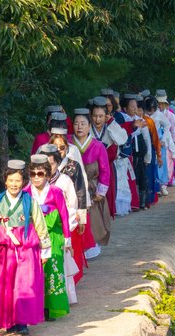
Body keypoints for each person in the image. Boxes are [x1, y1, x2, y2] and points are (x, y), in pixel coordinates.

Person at [0, 159, 52, 334]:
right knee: (4, 286)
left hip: (26, 249)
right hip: (3, 250)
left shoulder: (29, 201)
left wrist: (45, 249)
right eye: (11, 180)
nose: (14, 184)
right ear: (5, 181)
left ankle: (21, 322)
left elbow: (39, 223)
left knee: (24, 285)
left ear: (23, 182)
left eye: (18, 180)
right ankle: (5, 321)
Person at [24, 154, 71, 320]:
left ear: (47, 174)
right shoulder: (25, 193)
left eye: (40, 173)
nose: (36, 177)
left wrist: (67, 239)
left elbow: (64, 215)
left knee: (53, 270)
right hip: (33, 237)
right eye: (33, 174)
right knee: (35, 272)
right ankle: (38, 307)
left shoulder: (56, 192)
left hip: (53, 236)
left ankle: (52, 308)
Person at [37, 144, 81, 304]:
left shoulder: (64, 180)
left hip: (58, 230)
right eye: (44, 165)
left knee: (58, 266)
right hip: (37, 232)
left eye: (52, 164)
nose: (48, 168)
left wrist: (65, 230)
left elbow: (71, 206)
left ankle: (60, 300)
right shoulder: (32, 183)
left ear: (58, 163)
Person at [49, 127, 89, 283]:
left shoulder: (73, 166)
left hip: (70, 213)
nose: (59, 151)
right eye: (55, 148)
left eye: (62, 148)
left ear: (67, 148)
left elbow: (80, 191)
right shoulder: (45, 168)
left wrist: (82, 216)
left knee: (71, 248)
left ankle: (73, 280)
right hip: (50, 215)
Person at [73, 107, 111, 259]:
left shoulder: (98, 146)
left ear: (89, 126)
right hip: (73, 189)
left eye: (83, 123)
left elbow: (105, 170)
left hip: (92, 188)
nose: (80, 127)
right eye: (76, 123)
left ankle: (90, 247)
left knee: (93, 219)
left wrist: (101, 192)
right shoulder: (68, 144)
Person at [90, 96, 127, 217]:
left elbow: (122, 139)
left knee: (108, 198)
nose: (97, 119)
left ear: (106, 115)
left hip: (108, 168)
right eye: (95, 116)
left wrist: (111, 123)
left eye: (101, 116)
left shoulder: (111, 125)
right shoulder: (88, 129)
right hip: (91, 169)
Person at [140, 96, 162, 208]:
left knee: (149, 175)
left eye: (140, 109)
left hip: (150, 151)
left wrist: (158, 154)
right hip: (140, 153)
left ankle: (148, 198)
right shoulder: (136, 121)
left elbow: (155, 139)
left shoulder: (149, 121)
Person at [154, 90, 175, 194]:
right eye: (158, 103)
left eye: (162, 103)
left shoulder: (170, 115)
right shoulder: (154, 113)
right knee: (154, 162)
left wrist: (166, 140)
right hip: (154, 140)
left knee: (163, 163)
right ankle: (157, 185)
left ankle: (163, 184)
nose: (160, 105)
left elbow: (171, 128)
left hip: (165, 142)